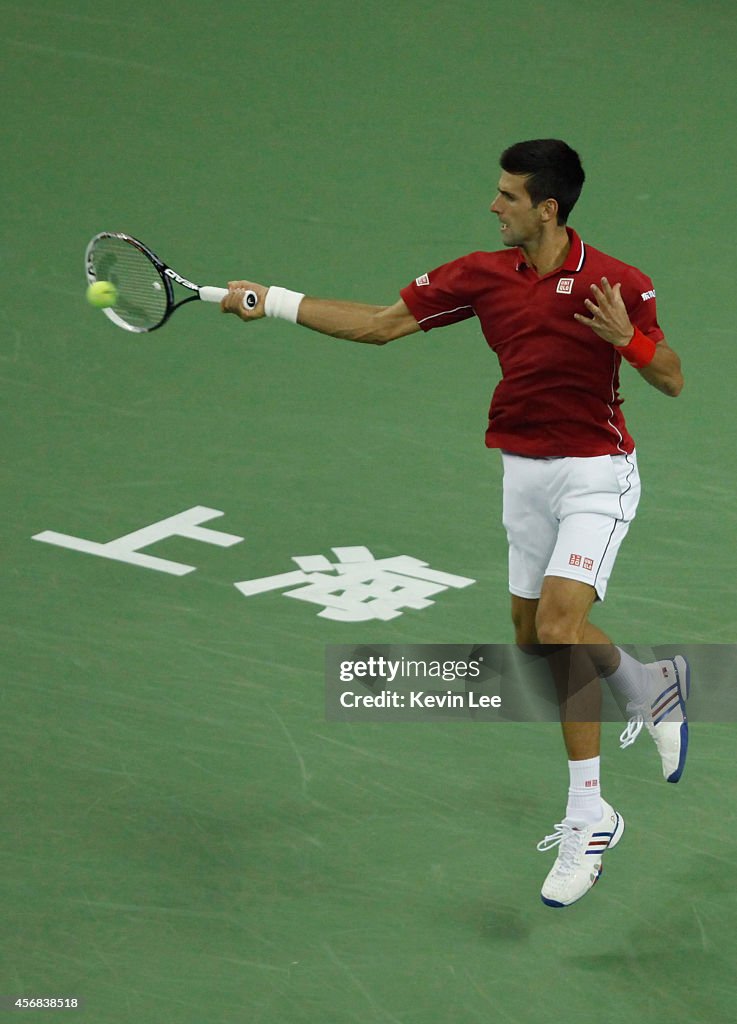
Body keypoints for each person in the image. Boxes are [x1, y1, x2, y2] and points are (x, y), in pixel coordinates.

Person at [220, 139, 690, 908]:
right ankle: (650, 683)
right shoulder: (479, 274)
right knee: (534, 639)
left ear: (547, 206)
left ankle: (589, 814)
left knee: (563, 628)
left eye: (508, 196)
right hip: (523, 471)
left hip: (595, 474)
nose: (493, 205)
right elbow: (379, 325)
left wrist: (626, 342)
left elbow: (669, 378)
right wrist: (270, 299)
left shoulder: (617, 283)